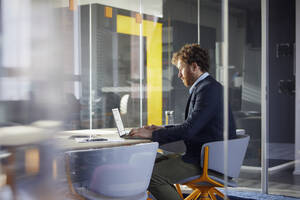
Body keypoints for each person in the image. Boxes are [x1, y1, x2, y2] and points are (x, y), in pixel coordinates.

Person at [129, 43, 237, 200]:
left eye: (180, 69)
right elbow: (193, 125)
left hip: (205, 163)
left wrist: (154, 135)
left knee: (150, 175)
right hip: (202, 156)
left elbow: (189, 129)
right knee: (146, 162)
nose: (179, 75)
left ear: (194, 67)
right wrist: (159, 128)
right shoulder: (206, 87)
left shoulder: (208, 90)